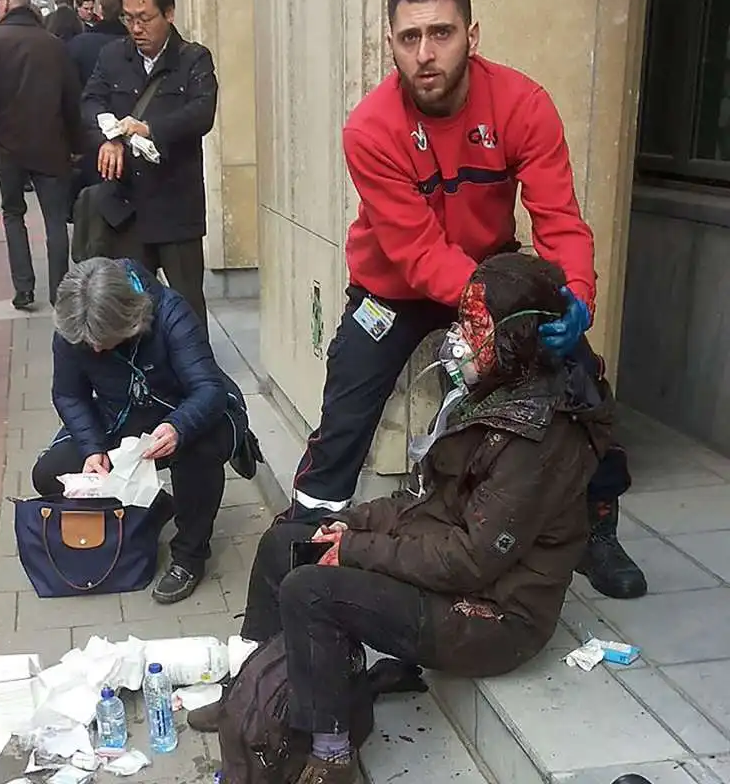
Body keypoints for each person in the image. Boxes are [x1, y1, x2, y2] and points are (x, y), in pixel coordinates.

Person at [276, 0, 646, 601]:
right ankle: (307, 533)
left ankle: (596, 526)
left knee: (579, 376)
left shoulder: (523, 104)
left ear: (471, 37)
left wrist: (574, 296)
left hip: (491, 273)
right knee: (347, 403)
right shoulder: (370, 128)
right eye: (409, 38)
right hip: (394, 284)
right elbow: (416, 251)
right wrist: (484, 309)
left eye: (441, 34)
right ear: (389, 45)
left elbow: (558, 218)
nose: (425, 53)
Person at [223, 254, 615, 784]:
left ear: (518, 340)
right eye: (462, 320)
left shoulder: (541, 440)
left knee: (311, 591)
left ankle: (330, 754)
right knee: (286, 539)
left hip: (493, 617)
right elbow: (421, 498)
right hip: (450, 564)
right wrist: (353, 524)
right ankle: (251, 690)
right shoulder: (489, 396)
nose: (458, 337)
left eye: (475, 326)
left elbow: (470, 561)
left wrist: (359, 549)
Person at [31, 257, 248, 604]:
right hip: (119, 416)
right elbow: (69, 395)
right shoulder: (74, 325)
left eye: (103, 340)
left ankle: (190, 556)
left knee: (200, 450)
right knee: (49, 475)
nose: (96, 348)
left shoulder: (170, 312)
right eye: (89, 344)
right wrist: (92, 448)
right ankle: (154, 506)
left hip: (185, 411)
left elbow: (208, 389)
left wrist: (178, 426)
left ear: (128, 319)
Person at [80, 0, 218, 328]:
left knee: (187, 310)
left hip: (176, 205)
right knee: (131, 311)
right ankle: (143, 379)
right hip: (125, 209)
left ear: (169, 14)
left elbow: (202, 112)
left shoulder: (193, 58)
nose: (136, 28)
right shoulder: (112, 56)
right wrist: (109, 136)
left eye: (145, 18)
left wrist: (148, 128)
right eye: (128, 19)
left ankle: (193, 377)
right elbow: (90, 102)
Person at [0, 0, 82, 310]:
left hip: (9, 147)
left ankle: (24, 287)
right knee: (55, 221)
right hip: (52, 145)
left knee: (14, 214)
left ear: (4, 4)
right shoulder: (54, 45)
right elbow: (71, 99)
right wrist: (76, 143)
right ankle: (59, 292)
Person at [67, 0, 127, 88]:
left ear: (100, 9)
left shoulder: (80, 42)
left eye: (91, 8)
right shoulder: (136, 44)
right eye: (86, 9)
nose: (89, 12)